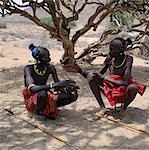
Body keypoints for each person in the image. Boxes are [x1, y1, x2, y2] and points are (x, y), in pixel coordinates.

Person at [69, 37, 146, 115]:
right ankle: (103, 108)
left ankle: (123, 108)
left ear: (120, 50)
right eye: (110, 48)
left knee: (134, 87)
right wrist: (80, 71)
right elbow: (97, 75)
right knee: (91, 76)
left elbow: (125, 82)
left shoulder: (128, 60)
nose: (110, 51)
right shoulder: (109, 58)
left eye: (113, 49)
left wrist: (105, 78)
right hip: (111, 87)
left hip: (123, 89)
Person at [23, 44, 79, 119]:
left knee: (72, 95)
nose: (49, 59)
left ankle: (45, 109)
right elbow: (32, 89)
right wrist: (54, 85)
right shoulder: (29, 69)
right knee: (42, 94)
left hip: (45, 95)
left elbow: (57, 87)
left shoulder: (50, 68)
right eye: (46, 57)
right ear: (38, 59)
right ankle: (36, 112)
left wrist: (67, 88)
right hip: (33, 98)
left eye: (49, 56)